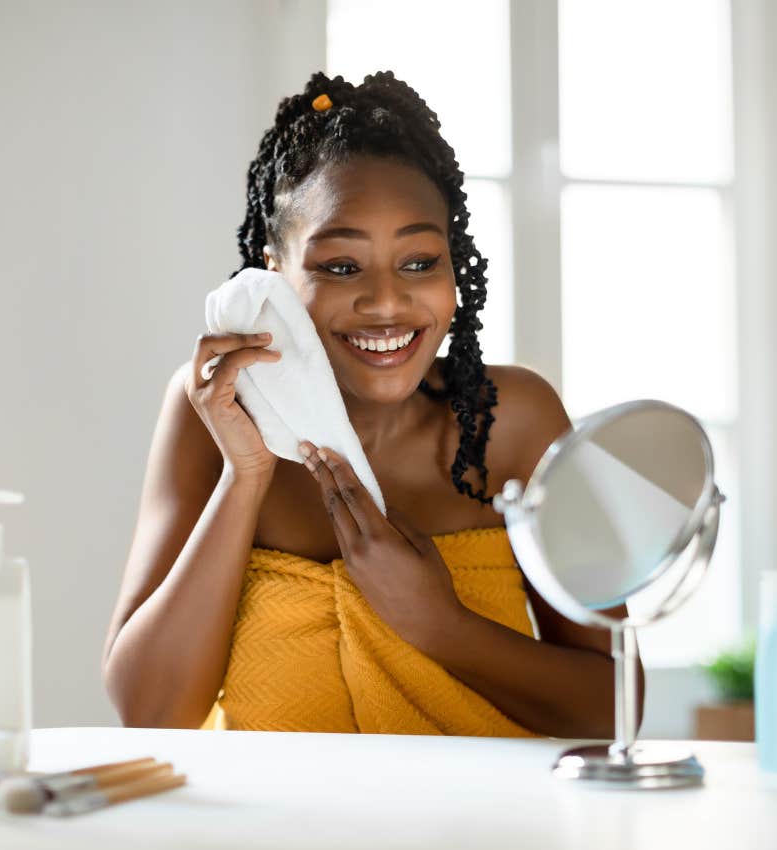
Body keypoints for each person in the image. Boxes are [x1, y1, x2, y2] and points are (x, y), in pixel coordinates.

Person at [102, 71, 644, 736]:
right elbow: (149, 712)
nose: (386, 302)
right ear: (272, 272)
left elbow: (615, 705)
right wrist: (244, 479)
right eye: (340, 266)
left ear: (455, 267)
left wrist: (439, 625)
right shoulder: (210, 409)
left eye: (419, 262)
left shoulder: (514, 422)